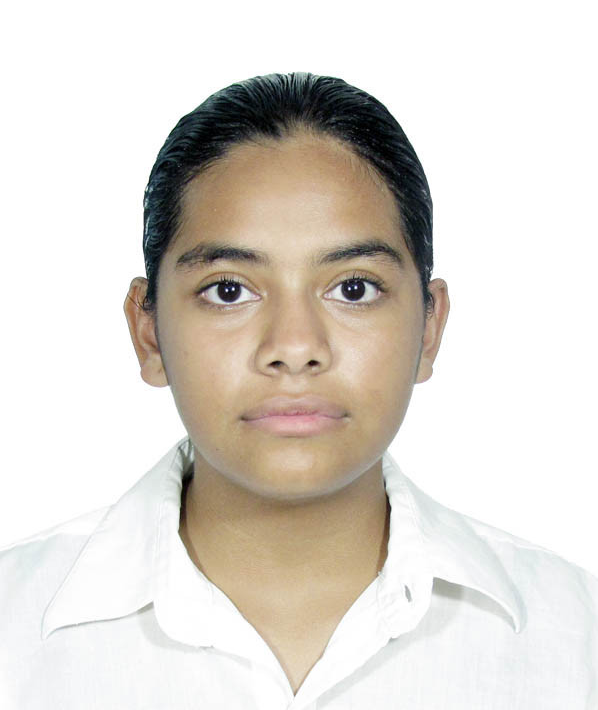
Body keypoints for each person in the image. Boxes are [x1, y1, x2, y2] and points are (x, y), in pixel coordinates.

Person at [0, 72, 595, 709]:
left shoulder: (574, 637)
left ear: (429, 327)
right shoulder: (15, 630)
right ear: (148, 333)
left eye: (353, 288)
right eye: (229, 290)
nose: (294, 346)